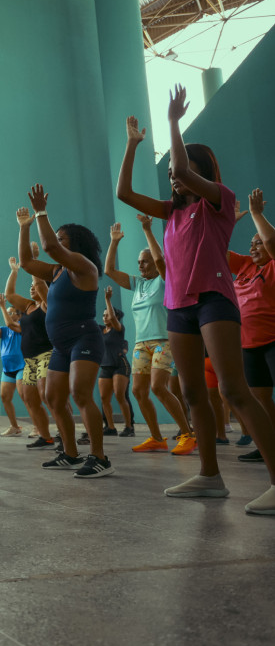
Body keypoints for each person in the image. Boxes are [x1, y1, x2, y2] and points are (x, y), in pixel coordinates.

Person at [115, 99, 275, 513]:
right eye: (169, 175)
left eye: (180, 172)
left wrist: (172, 122)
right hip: (177, 307)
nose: (174, 179)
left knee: (234, 391)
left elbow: (185, 169)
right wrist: (132, 145)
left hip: (214, 302)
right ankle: (209, 476)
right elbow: (124, 193)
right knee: (189, 392)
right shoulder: (171, 213)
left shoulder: (219, 201)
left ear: (202, 173)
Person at [17, 184, 113, 478]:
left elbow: (48, 248)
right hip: (60, 346)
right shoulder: (58, 271)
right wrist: (24, 228)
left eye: (62, 239)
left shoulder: (84, 267)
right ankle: (70, 453)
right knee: (54, 399)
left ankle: (99, 457)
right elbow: (27, 262)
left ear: (75, 245)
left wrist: (40, 212)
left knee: (81, 394)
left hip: (84, 337)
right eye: (55, 237)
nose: (55, 242)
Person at [104, 217, 194, 453]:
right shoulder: (138, 284)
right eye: (138, 262)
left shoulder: (166, 281)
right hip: (141, 344)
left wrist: (147, 230)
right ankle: (156, 438)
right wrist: (114, 242)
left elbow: (159, 259)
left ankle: (187, 433)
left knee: (158, 387)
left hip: (164, 341)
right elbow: (109, 270)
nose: (141, 265)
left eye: (144, 262)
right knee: (137, 391)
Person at [225, 188, 275, 474]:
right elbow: (215, 248)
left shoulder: (274, 265)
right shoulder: (244, 266)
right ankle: (269, 444)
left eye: (258, 244)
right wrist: (229, 223)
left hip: (273, 341)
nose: (254, 248)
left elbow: (271, 240)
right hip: (249, 345)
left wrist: (256, 214)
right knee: (260, 398)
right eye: (251, 244)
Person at [5, 255, 56, 448]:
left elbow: (40, 284)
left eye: (35, 285)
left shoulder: (47, 304)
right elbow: (9, 295)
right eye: (31, 286)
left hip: (46, 354)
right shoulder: (28, 307)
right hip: (29, 360)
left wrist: (32, 260)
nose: (32, 287)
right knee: (29, 397)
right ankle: (46, 436)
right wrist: (14, 271)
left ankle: (62, 433)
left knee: (47, 396)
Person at [0, 296, 26, 437]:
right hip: (8, 369)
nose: (8, 315)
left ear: (19, 315)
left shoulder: (22, 327)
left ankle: (38, 428)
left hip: (22, 366)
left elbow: (11, 325)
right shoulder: (4, 330)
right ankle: (14, 427)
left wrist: (3, 306)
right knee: (4, 397)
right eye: (7, 313)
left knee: (25, 396)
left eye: (11, 313)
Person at [99, 288, 135, 439]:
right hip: (105, 366)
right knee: (104, 398)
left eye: (108, 314)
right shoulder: (101, 330)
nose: (105, 317)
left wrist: (108, 300)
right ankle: (110, 427)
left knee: (120, 395)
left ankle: (128, 427)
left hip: (120, 366)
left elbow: (113, 318)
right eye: (103, 315)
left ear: (116, 316)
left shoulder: (118, 328)